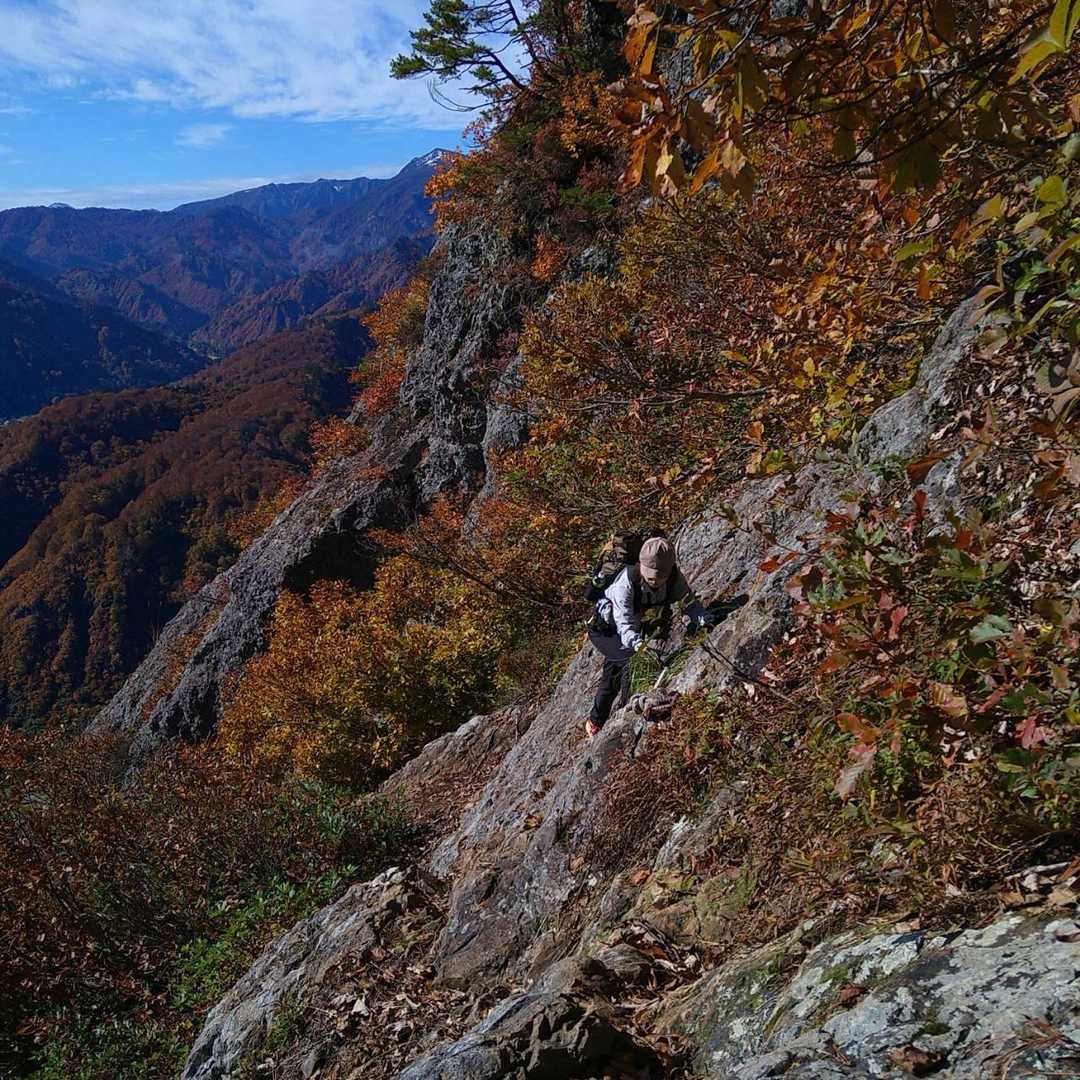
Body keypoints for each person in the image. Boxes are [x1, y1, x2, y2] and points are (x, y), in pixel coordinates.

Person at [584, 536, 709, 738]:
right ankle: (627, 713)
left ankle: (595, 721)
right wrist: (640, 646)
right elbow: (624, 626)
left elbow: (690, 604)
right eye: (650, 575)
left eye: (660, 576)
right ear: (640, 565)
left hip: (628, 630)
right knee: (629, 662)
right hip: (604, 630)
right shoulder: (625, 583)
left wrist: (703, 620)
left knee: (612, 674)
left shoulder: (674, 579)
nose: (655, 580)